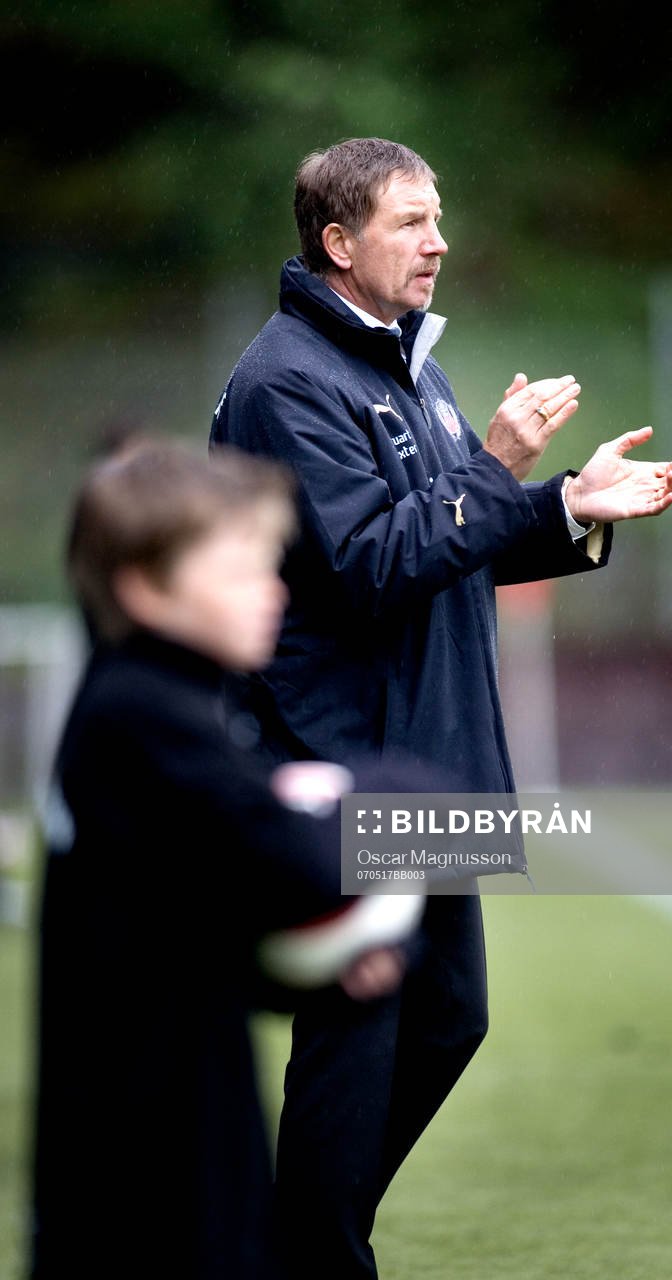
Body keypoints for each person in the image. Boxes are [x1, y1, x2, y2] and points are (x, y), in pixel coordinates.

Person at [210, 136, 672, 1278]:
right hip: (350, 757)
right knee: (363, 1034)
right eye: (411, 223)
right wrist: (498, 459)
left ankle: (284, 1246)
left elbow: (446, 542)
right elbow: (376, 561)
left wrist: (566, 504)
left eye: (439, 219)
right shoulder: (288, 381)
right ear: (338, 242)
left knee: (443, 1019)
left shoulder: (403, 363)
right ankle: (308, 1255)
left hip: (432, 754)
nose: (439, 244)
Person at [30, 440, 421, 1280]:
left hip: (172, 1103)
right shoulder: (147, 714)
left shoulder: (165, 701)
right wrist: (382, 790)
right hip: (143, 1150)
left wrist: (312, 968)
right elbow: (304, 857)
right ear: (146, 585)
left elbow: (192, 921)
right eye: (242, 571)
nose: (273, 592)